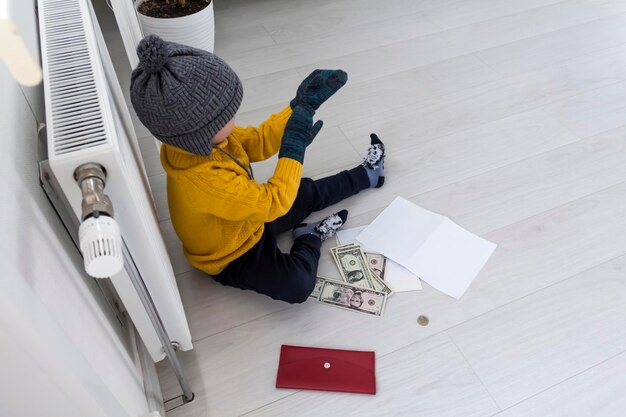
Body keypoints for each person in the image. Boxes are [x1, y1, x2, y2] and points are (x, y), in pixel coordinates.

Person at [130, 35, 386, 304]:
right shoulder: (204, 180)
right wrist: (293, 150)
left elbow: (259, 140)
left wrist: (300, 106)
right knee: (297, 285)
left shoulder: (200, 141)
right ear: (201, 129)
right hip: (232, 255)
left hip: (248, 220)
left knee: (304, 190)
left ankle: (367, 175)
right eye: (227, 114)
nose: (234, 115)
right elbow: (273, 203)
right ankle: (309, 238)